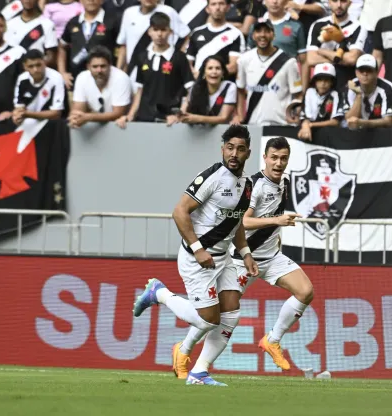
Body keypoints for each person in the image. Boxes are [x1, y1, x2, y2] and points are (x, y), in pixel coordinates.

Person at [171, 137, 315, 378]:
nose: (278, 163)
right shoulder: (254, 185)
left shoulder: (284, 183)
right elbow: (244, 221)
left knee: (306, 291)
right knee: (215, 317)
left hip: (271, 258)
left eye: (283, 158)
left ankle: (272, 340)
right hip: (241, 261)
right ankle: (184, 350)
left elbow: (267, 217)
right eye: (274, 158)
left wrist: (275, 233)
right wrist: (275, 222)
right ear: (265, 158)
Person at [133, 125, 258, 387]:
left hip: (223, 259)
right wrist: (198, 248)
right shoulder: (212, 176)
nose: (234, 153)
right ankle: (159, 293)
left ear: (248, 153)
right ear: (222, 148)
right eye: (230, 147)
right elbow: (180, 211)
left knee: (232, 313)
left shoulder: (247, 185)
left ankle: (199, 372)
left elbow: (235, 224)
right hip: (197, 258)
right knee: (209, 319)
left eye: (240, 149)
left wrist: (245, 253)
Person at [122, 13, 194, 124]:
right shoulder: (142, 57)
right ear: (149, 32)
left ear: (170, 31)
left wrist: (179, 115)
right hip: (145, 118)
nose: (159, 34)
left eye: (163, 30)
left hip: (170, 120)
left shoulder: (179, 57)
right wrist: (130, 115)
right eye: (155, 30)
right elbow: (140, 90)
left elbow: (191, 90)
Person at [235, 19, 303, 126]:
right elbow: (240, 89)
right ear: (253, 36)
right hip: (253, 124)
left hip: (281, 124)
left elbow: (298, 94)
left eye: (267, 31)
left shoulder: (289, 62)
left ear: (273, 35)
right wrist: (240, 116)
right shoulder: (244, 60)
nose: (262, 35)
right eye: (258, 31)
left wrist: (294, 114)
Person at [305, 0, 368, 91]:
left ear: (350, 3)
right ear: (329, 2)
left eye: (343, 1)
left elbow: (352, 59)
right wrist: (342, 58)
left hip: (347, 84)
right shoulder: (317, 25)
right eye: (335, 1)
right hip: (322, 86)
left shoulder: (358, 27)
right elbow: (311, 59)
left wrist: (322, 51)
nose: (339, 5)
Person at [58, 0, 120, 89]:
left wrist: (118, 71)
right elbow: (62, 46)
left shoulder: (112, 21)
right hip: (76, 81)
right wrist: (62, 73)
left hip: (105, 80)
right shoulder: (73, 22)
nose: (91, 0)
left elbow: (122, 48)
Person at [70, 45, 133, 127]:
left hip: (121, 126)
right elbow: (78, 110)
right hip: (96, 126)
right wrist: (76, 119)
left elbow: (118, 113)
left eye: (103, 66)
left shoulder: (121, 78)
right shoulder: (82, 77)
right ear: (88, 67)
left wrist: (89, 117)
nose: (99, 70)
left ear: (110, 65)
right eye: (95, 67)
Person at [185, 0, 246, 82]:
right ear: (207, 9)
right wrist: (195, 75)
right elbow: (188, 62)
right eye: (213, 4)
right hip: (198, 85)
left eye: (221, 4)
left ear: (228, 7)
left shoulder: (235, 34)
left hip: (223, 87)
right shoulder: (196, 32)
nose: (217, 7)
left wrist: (207, 74)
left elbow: (233, 66)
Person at [175, 55, 238, 125]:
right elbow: (184, 109)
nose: (214, 71)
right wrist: (181, 115)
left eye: (218, 68)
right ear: (204, 72)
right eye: (210, 68)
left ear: (223, 72)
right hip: (198, 131)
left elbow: (223, 118)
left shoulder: (229, 86)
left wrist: (197, 118)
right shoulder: (195, 88)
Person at [12, 49, 67, 125]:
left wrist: (27, 114)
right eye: (31, 66)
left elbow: (56, 113)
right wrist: (17, 115)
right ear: (25, 67)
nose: (35, 69)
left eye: (38, 65)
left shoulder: (56, 78)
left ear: (44, 63)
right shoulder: (22, 79)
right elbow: (19, 107)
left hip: (53, 124)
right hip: (30, 124)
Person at [344, 54, 392, 129]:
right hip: (357, 133)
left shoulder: (387, 87)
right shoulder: (351, 86)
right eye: (361, 70)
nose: (365, 74)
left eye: (369, 70)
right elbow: (350, 119)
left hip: (380, 132)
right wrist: (358, 95)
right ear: (356, 72)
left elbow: (388, 121)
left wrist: (363, 123)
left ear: (376, 72)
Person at [5, 0, 59, 68]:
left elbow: (51, 56)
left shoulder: (47, 24)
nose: (27, 1)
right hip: (13, 69)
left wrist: (33, 68)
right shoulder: (10, 24)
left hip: (36, 71)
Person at [298, 63, 345, 141]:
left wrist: (310, 125)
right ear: (315, 81)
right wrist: (305, 126)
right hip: (312, 134)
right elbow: (305, 117)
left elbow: (335, 122)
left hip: (331, 136)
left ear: (332, 82)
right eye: (320, 79)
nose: (323, 83)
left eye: (326, 80)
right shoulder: (309, 92)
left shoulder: (336, 94)